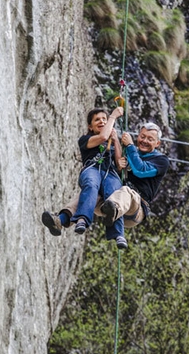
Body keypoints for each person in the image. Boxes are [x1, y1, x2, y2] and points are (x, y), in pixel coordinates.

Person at [42, 121, 169, 245]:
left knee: (126, 191)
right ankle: (61, 220)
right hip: (111, 203)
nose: (145, 141)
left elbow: (140, 170)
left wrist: (130, 146)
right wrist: (117, 163)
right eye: (142, 137)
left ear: (157, 143)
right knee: (91, 192)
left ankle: (113, 210)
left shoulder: (161, 161)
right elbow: (113, 174)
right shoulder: (130, 152)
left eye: (150, 139)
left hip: (135, 208)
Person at [42, 106, 128, 249]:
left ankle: (118, 234)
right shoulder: (85, 140)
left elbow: (119, 165)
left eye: (104, 119)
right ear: (90, 126)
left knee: (114, 194)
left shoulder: (111, 143)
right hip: (93, 169)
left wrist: (116, 140)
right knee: (90, 184)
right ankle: (82, 219)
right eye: (97, 120)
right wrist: (112, 117)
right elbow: (102, 137)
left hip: (109, 173)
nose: (101, 121)